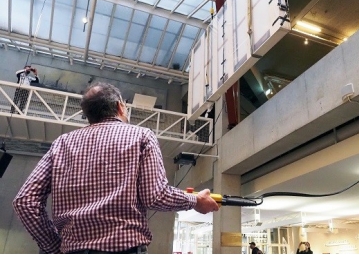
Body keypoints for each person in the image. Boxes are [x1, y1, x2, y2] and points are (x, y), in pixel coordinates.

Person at [12, 82, 219, 254]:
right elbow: (156, 196)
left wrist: (53, 246)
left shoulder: (61, 144)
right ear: (120, 107)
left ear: (88, 114)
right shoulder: (141, 136)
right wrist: (196, 201)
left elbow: (25, 201)